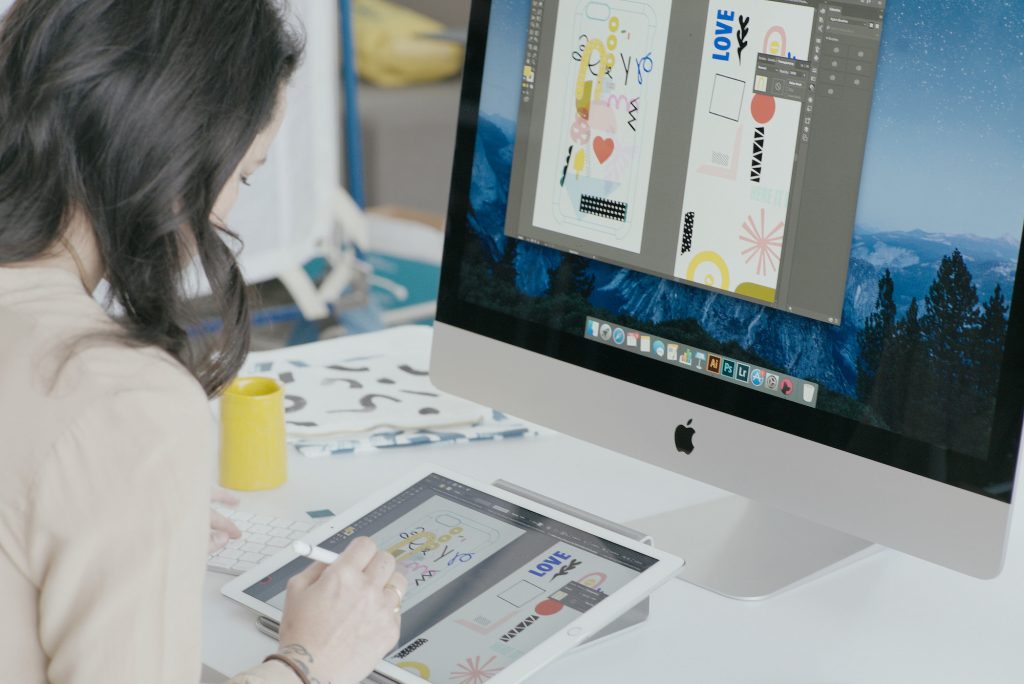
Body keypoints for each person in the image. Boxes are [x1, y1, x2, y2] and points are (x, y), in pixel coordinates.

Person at [0, 1, 406, 682]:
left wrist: (126, 508)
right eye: (243, 174)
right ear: (171, 147)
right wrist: (310, 661)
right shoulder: (119, 402)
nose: (228, 212)